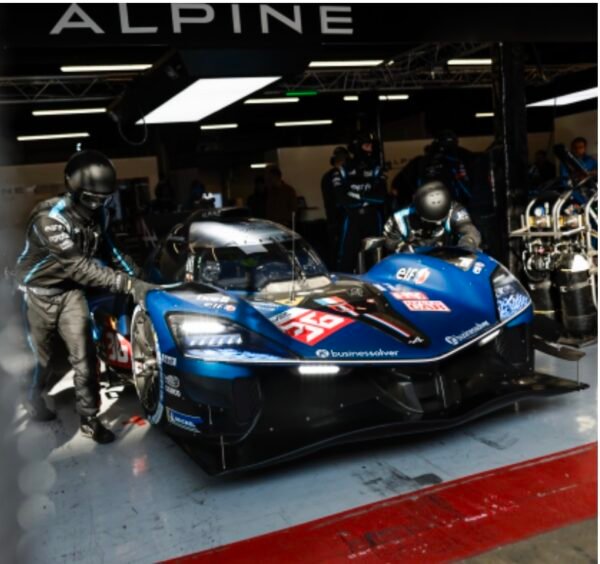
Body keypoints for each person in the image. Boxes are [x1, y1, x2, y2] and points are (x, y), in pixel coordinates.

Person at [15, 150, 155, 442]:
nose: (97, 205)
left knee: (86, 358)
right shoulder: (48, 219)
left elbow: (112, 250)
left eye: (104, 199)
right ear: (73, 188)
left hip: (70, 292)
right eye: (92, 198)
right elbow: (80, 268)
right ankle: (33, 399)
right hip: (36, 294)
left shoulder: (100, 214)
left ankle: (89, 418)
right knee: (41, 361)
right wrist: (129, 285)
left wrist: (142, 279)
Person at [334, 132, 387, 272]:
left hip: (373, 218)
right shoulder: (342, 170)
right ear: (357, 147)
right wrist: (367, 197)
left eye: (371, 145)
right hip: (352, 219)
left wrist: (357, 195)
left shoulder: (376, 169)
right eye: (367, 145)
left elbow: (381, 198)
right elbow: (343, 200)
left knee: (376, 257)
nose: (370, 149)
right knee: (346, 258)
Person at [383, 180, 481, 252]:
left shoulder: (455, 211)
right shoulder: (400, 218)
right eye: (429, 223)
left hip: (448, 260)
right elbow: (389, 242)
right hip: (413, 263)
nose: (434, 227)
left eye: (439, 222)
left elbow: (470, 230)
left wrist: (468, 242)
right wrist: (402, 248)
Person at [391, 130, 474, 210]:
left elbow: (400, 182)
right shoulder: (455, 161)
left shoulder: (422, 161)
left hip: (435, 205)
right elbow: (465, 186)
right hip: (436, 205)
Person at [320, 146, 349, 267]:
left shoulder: (327, 176)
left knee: (337, 250)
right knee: (341, 250)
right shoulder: (340, 176)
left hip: (335, 219)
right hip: (340, 219)